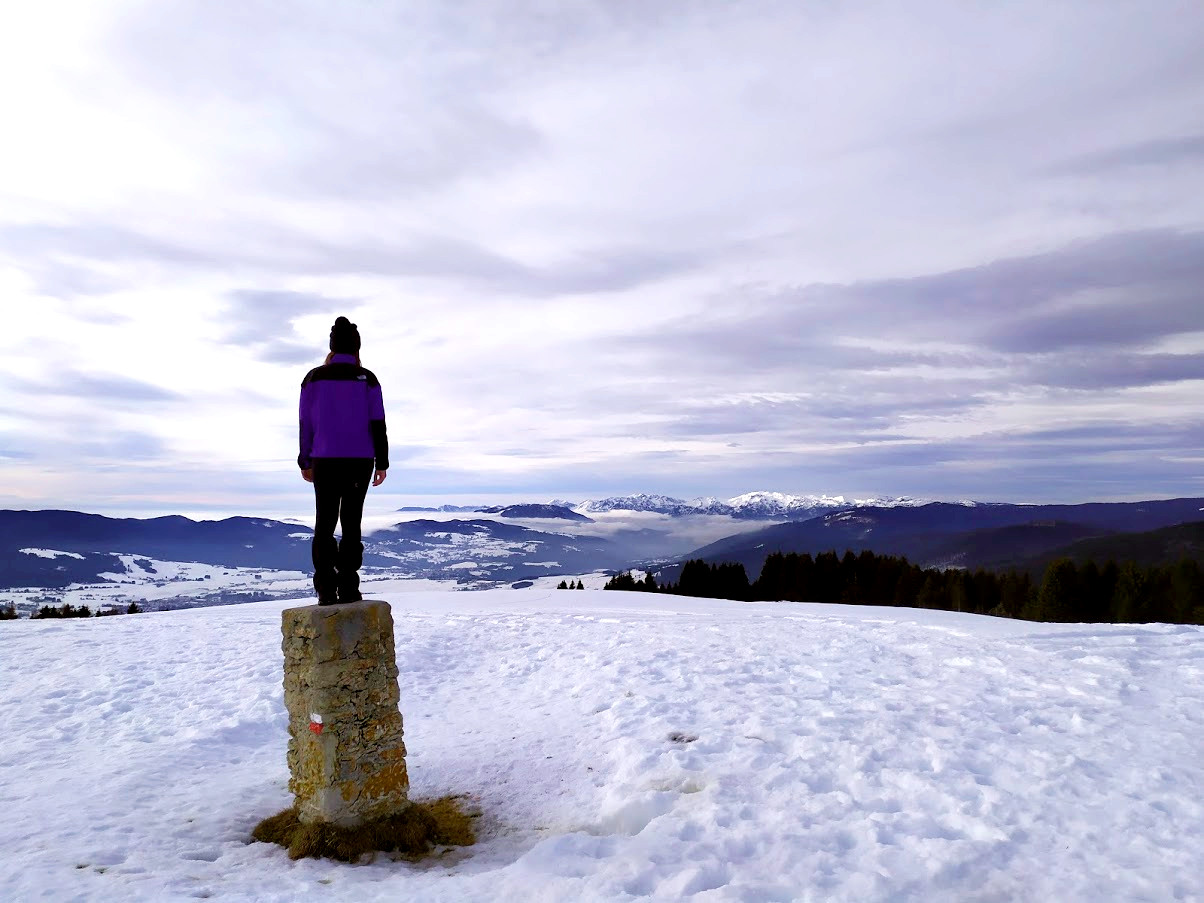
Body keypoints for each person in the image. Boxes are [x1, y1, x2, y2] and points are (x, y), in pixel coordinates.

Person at [297, 317, 389, 605]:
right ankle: (349, 587)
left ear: (332, 346)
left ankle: (325, 589)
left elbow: (305, 422)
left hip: (323, 459)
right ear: (356, 347)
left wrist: (305, 460)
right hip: (360, 460)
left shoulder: (313, 378)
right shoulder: (368, 379)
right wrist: (382, 462)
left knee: (324, 523)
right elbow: (378, 423)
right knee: (352, 522)